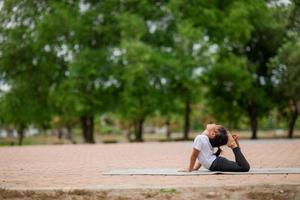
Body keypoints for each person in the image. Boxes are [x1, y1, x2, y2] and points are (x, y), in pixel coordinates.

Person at [179, 123, 250, 172]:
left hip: (217, 163)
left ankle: (233, 145)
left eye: (215, 125)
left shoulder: (200, 138)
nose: (213, 124)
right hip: (216, 163)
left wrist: (190, 169)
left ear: (213, 133)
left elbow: (194, 156)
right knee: (241, 166)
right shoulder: (203, 139)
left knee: (244, 167)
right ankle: (234, 145)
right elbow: (201, 156)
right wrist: (195, 168)